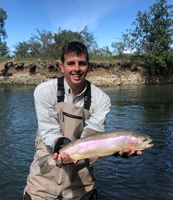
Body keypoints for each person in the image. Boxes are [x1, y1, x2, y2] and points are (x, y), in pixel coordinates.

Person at [23, 41, 141, 200]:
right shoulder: (44, 91)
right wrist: (61, 146)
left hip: (81, 189)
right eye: (71, 63)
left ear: (89, 66)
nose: (76, 69)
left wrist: (116, 149)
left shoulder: (101, 99)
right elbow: (49, 130)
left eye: (82, 64)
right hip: (41, 186)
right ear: (62, 66)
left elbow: (93, 137)